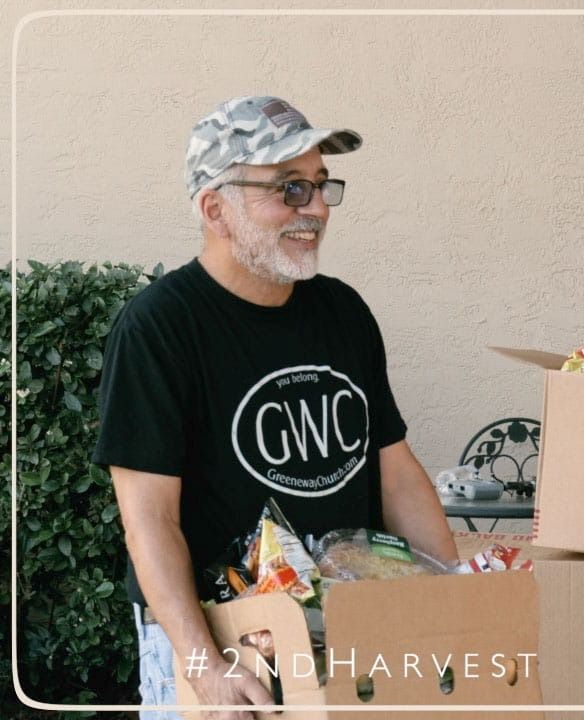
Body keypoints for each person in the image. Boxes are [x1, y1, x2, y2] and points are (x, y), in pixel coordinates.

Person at [92, 95, 458, 720]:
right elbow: (149, 520)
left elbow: (394, 469)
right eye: (288, 189)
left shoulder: (342, 311)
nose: (314, 208)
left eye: (318, 185)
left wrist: (457, 605)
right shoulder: (160, 328)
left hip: (352, 632)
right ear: (216, 209)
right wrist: (204, 668)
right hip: (226, 636)